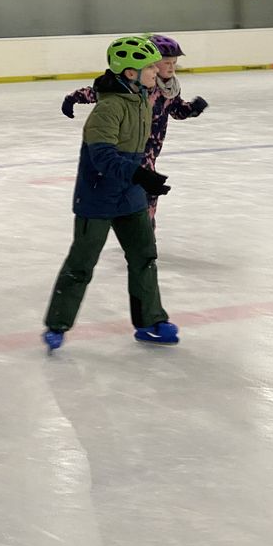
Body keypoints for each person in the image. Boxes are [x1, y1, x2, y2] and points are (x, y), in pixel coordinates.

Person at [43, 35, 179, 353]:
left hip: (129, 193)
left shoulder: (142, 100)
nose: (156, 72)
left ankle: (150, 321)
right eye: (149, 67)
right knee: (82, 263)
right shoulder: (108, 109)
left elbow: (136, 149)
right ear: (130, 72)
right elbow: (102, 157)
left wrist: (142, 179)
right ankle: (57, 325)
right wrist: (140, 174)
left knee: (144, 257)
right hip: (97, 196)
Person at [61, 33, 208, 225]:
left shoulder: (170, 88)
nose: (171, 67)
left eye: (174, 62)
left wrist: (192, 109)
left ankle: (139, 232)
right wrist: (73, 98)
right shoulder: (139, 86)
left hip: (151, 150)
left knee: (142, 192)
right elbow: (103, 93)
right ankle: (142, 235)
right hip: (130, 147)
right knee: (142, 191)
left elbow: (176, 110)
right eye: (166, 62)